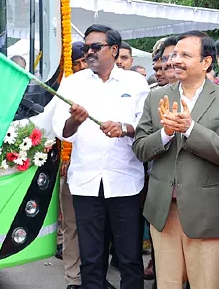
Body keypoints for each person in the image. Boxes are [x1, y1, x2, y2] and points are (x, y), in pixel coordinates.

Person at [133, 30, 219, 288]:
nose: (175, 61)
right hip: (163, 211)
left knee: (206, 283)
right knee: (168, 283)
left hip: (207, 212)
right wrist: (165, 133)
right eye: (174, 55)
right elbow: (140, 148)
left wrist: (191, 130)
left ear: (207, 62)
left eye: (185, 55)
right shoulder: (156, 97)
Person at [53, 24, 148, 289]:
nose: (89, 52)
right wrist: (75, 120)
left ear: (114, 50)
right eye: (87, 47)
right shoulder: (73, 83)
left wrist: (125, 128)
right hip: (86, 183)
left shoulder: (136, 83)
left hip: (125, 181)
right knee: (92, 259)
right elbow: (63, 131)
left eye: (96, 47)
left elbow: (147, 127)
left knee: (129, 257)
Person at [58, 41, 88, 289]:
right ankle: (73, 279)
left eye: (84, 62)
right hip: (69, 167)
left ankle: (93, 276)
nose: (81, 67)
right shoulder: (65, 88)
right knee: (72, 225)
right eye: (76, 63)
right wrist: (65, 157)